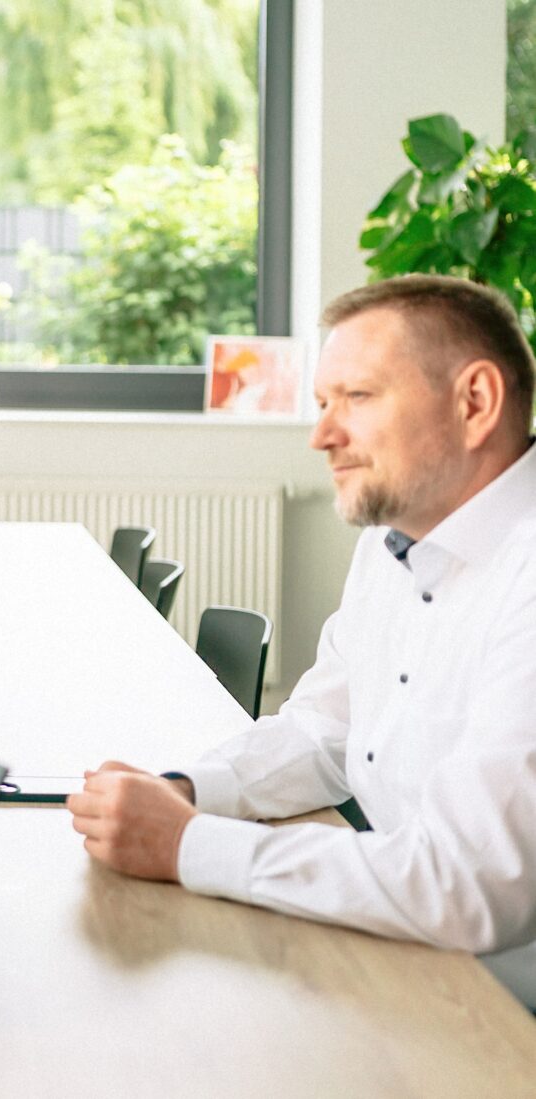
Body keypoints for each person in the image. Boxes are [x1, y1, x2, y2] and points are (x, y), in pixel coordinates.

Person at [67, 274, 536, 1006]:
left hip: (499, 1004)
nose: (322, 435)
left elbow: (469, 884)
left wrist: (188, 844)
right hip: (404, 946)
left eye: (358, 397)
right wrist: (186, 791)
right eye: (322, 403)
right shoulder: (392, 540)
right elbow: (323, 731)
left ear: (474, 402)